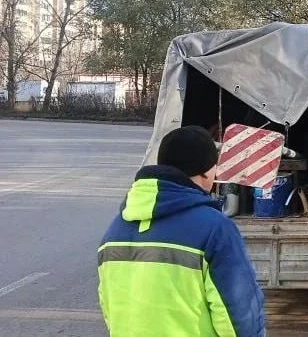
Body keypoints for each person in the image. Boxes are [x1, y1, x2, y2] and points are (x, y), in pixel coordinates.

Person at [98, 126, 266, 337]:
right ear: (206, 171)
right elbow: (239, 317)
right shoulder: (215, 229)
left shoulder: (115, 230)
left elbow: (110, 307)